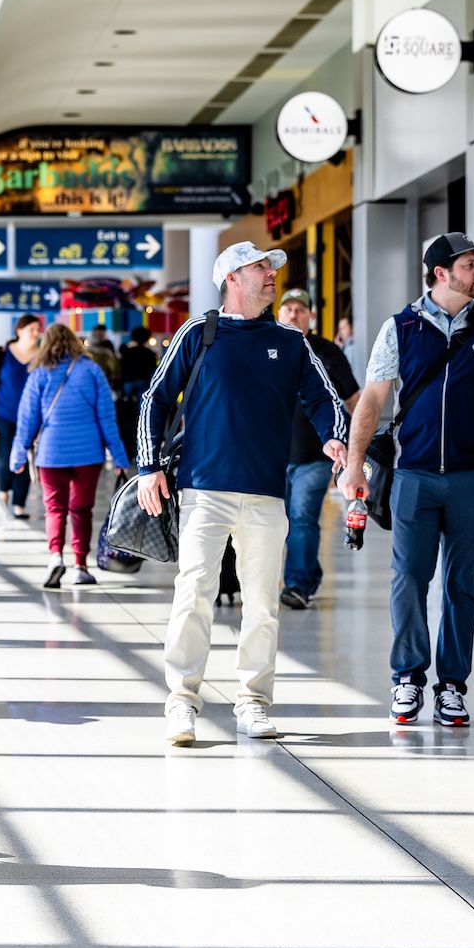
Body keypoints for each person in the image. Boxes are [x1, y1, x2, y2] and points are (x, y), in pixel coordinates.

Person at [137, 242, 347, 745]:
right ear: (233, 277)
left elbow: (326, 399)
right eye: (261, 268)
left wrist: (333, 435)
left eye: (272, 267)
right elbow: (156, 399)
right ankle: (181, 701)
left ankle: (252, 702)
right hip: (204, 492)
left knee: (262, 605)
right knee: (193, 595)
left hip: (265, 495)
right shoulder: (198, 333)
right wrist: (148, 466)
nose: (272, 275)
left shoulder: (291, 342)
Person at [338, 232, 474, 729]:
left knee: (461, 584)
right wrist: (354, 465)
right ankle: (407, 677)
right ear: (441, 273)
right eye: (470, 264)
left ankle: (452, 686)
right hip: (413, 476)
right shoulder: (400, 328)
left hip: (472, 476)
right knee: (409, 579)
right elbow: (373, 400)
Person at [11, 323, 128, 588]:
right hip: (88, 454)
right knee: (81, 510)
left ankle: (54, 557)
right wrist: (120, 458)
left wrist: (18, 455)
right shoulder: (92, 370)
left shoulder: (39, 373)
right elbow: (107, 419)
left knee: (55, 509)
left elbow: (27, 419)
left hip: (51, 454)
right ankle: (80, 566)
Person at [275, 289, 359, 610]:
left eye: (300, 309)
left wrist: (359, 448)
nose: (294, 314)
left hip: (315, 455)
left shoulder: (327, 353)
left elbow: (353, 400)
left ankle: (296, 585)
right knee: (281, 522)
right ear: (279, 314)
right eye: (288, 309)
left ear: (311, 316)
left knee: (302, 518)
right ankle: (309, 571)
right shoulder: (269, 347)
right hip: (275, 454)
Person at [0, 314, 45, 520]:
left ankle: (19, 504)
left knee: (26, 457)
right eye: (31, 329)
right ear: (19, 331)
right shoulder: (2, 353)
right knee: (4, 455)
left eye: (37, 329)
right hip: (3, 414)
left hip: (32, 417)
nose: (36, 333)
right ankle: (3, 494)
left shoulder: (42, 356)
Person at [116, 324, 159, 461]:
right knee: (143, 419)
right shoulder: (150, 353)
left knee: (128, 419)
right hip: (144, 386)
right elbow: (154, 373)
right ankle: (140, 451)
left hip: (128, 387)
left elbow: (121, 372)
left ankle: (128, 450)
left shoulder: (127, 352)